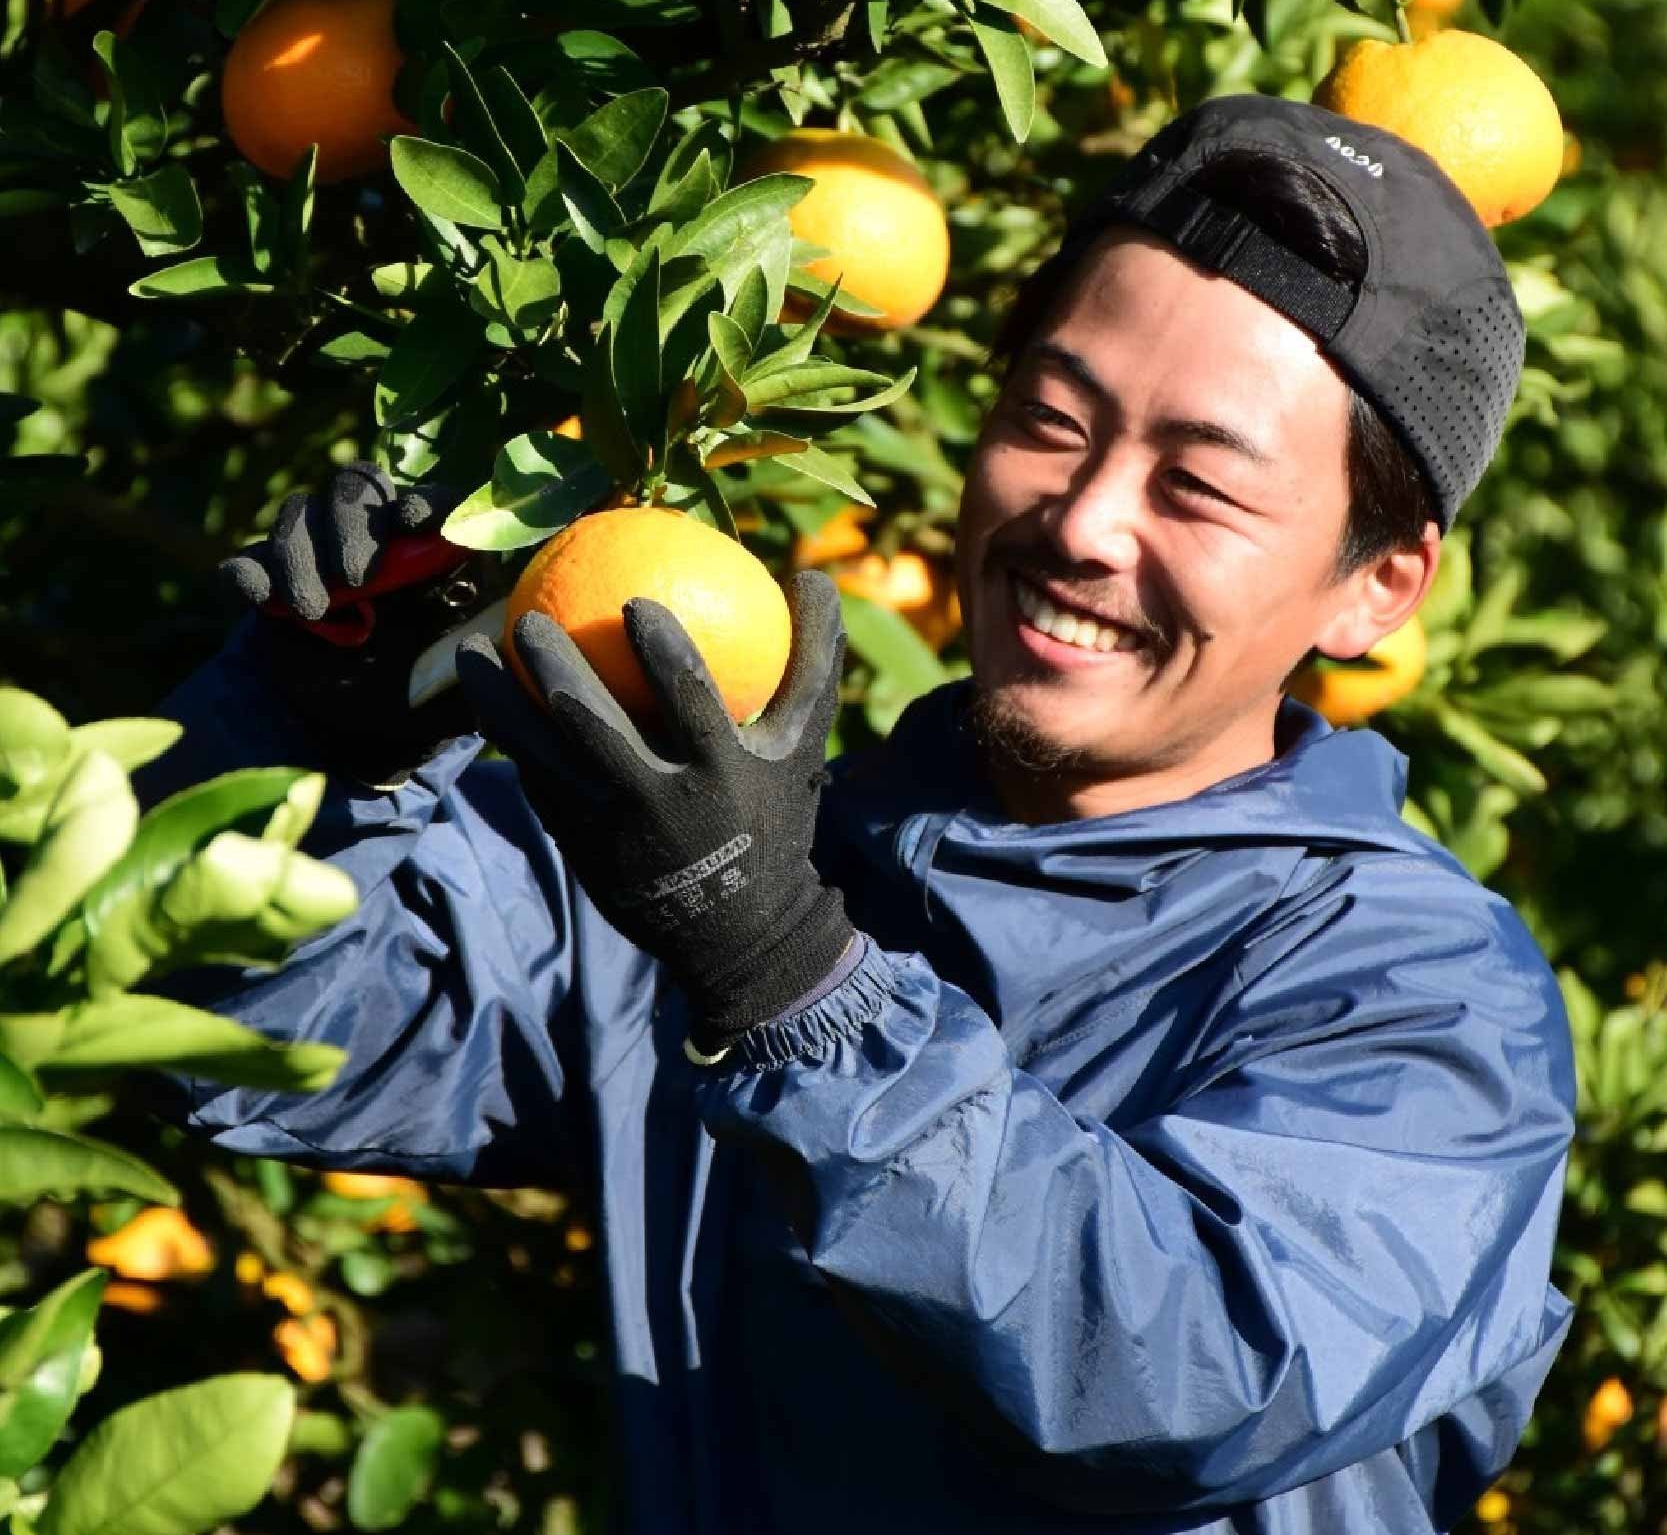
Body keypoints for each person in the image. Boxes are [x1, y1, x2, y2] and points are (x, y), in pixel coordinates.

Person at [136, 94, 1574, 1534]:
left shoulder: (1421, 999)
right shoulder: (724, 844)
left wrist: (788, 985)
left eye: (1198, 485)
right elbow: (241, 1020)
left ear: (1376, 585)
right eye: (1051, 420)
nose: (1083, 522)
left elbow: (1187, 1372)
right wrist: (299, 732)